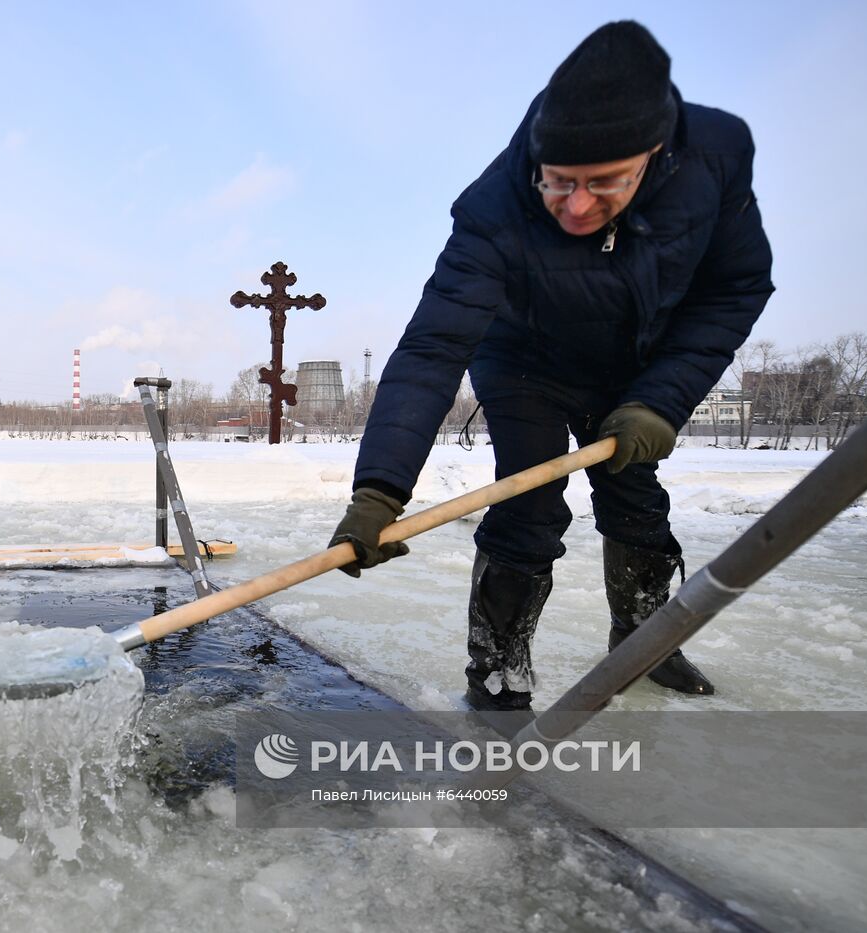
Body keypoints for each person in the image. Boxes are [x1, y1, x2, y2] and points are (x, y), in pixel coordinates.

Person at [330, 21, 774, 711]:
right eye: (558, 182)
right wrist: (379, 489)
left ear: (654, 155)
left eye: (605, 184)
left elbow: (734, 288)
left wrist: (660, 399)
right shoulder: (495, 208)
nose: (575, 205)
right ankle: (499, 670)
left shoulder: (715, 158)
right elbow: (434, 344)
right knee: (528, 500)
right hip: (524, 358)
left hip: (632, 366)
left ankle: (645, 639)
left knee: (634, 495)